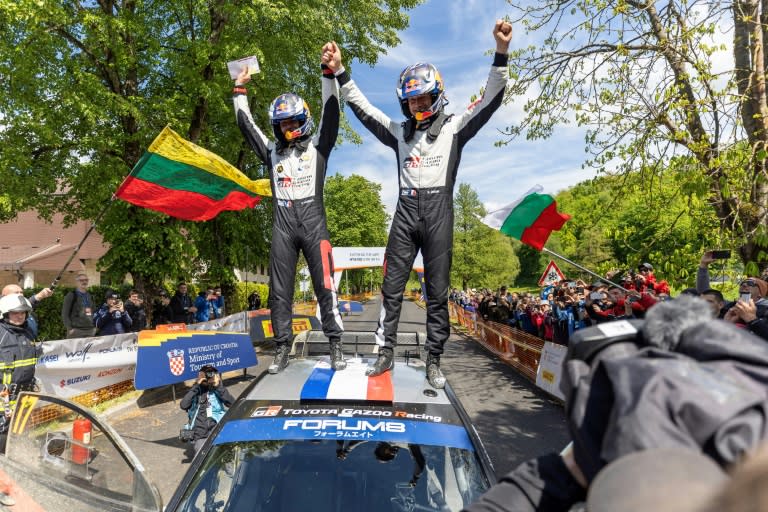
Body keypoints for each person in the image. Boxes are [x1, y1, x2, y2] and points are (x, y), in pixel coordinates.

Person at [322, 20, 513, 388]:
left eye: (423, 98)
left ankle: (435, 360)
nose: (418, 105)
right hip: (406, 213)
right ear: (404, 103)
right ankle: (384, 353)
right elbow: (363, 109)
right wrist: (341, 71)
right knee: (390, 288)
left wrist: (501, 52)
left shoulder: (456, 127)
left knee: (437, 293)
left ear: (436, 95)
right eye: (411, 100)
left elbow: (490, 99)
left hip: (440, 212)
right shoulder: (399, 133)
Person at [232, 47, 345, 374]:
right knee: (278, 290)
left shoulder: (320, 145)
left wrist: (328, 74)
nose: (289, 128)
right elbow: (245, 124)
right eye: (282, 124)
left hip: (314, 225)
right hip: (283, 226)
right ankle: (281, 349)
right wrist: (239, 88)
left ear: (304, 120)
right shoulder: (271, 151)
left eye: (294, 122)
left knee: (326, 285)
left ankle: (335, 344)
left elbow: (332, 110)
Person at [0, 294, 39, 453]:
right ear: (5, 313)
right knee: (2, 438)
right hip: (4, 399)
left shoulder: (28, 333)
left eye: (23, 312)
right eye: (15, 312)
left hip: (25, 397)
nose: (19, 316)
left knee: (21, 435)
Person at [179, 365, 235, 454]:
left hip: (217, 429)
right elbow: (183, 405)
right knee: (202, 456)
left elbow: (232, 404)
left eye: (211, 373)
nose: (209, 376)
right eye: (206, 374)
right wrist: (197, 385)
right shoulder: (196, 391)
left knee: (225, 455)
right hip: (200, 433)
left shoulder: (217, 389)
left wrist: (218, 387)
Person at [61, 273, 97, 338]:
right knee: (73, 348)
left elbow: (94, 312)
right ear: (77, 282)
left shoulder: (90, 296)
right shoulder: (71, 295)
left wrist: (95, 327)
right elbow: (64, 314)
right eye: (81, 280)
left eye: (86, 280)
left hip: (90, 330)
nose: (84, 282)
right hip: (76, 331)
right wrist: (69, 328)